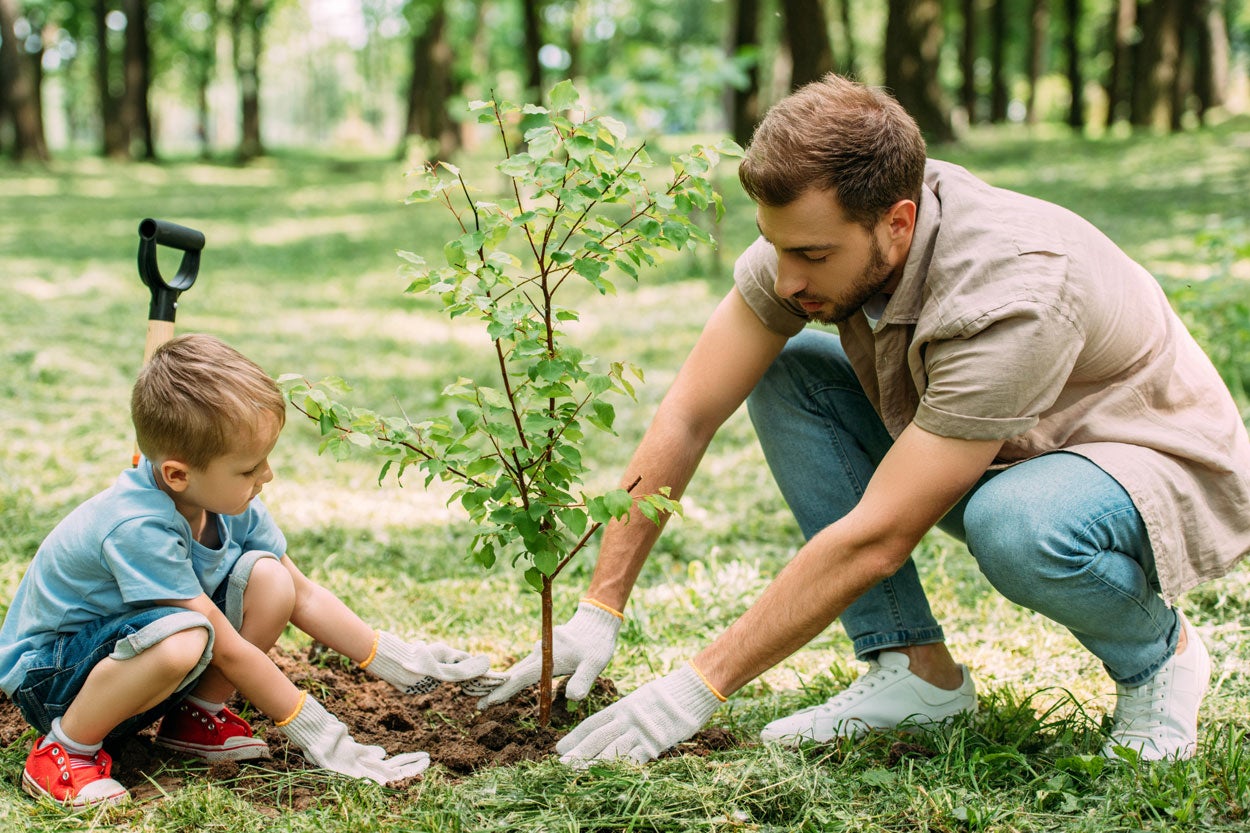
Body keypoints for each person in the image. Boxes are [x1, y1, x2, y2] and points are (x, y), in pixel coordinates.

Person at [480, 74, 1250, 765]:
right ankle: (914, 673)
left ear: (899, 222)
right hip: (1005, 443)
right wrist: (599, 606)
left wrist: (695, 686)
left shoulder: (1014, 292)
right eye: (774, 246)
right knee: (788, 375)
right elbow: (688, 411)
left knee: (1016, 522)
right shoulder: (811, 238)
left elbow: (881, 535)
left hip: (1143, 463)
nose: (787, 278)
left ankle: (1160, 657)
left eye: (811, 254)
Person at [0, 334, 501, 808]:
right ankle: (64, 752)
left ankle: (195, 718)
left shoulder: (228, 501)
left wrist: (398, 661)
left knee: (270, 579)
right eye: (248, 468)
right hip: (53, 679)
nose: (267, 475)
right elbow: (229, 648)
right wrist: (323, 736)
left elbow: (302, 595)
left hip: (128, 660)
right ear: (178, 474)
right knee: (187, 636)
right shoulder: (136, 526)